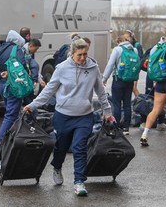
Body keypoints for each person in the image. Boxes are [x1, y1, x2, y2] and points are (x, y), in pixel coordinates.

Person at [23, 38, 113, 196]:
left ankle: (79, 181)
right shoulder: (62, 68)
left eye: (85, 54)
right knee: (61, 148)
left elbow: (100, 91)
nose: (83, 58)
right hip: (63, 116)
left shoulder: (93, 67)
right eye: (80, 55)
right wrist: (33, 105)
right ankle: (57, 167)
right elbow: (49, 90)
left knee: (80, 148)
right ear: (72, 53)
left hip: (84, 116)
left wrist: (107, 111)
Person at [0, 30, 28, 151]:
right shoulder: (17, 50)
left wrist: (0, 74)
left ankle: (11, 140)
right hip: (14, 86)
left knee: (11, 113)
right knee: (11, 115)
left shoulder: (0, 49)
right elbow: (22, 66)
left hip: (2, 85)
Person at [102, 34, 138, 135]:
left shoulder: (117, 49)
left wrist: (104, 78)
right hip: (130, 80)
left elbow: (110, 64)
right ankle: (126, 128)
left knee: (117, 103)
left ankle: (116, 127)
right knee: (127, 104)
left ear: (119, 42)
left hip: (119, 79)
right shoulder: (134, 50)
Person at [126, 29, 144, 98]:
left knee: (133, 88)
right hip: (128, 68)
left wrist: (137, 69)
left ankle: (140, 101)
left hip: (134, 68)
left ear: (131, 37)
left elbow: (140, 58)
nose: (126, 39)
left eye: (128, 37)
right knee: (129, 88)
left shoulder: (136, 45)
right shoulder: (127, 44)